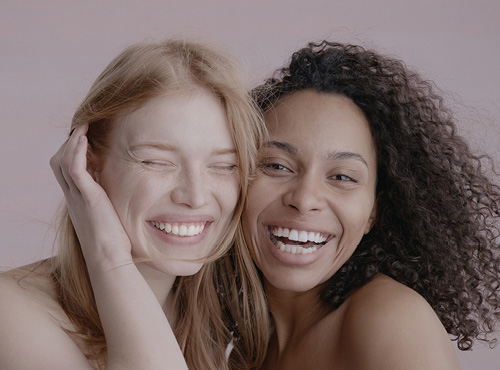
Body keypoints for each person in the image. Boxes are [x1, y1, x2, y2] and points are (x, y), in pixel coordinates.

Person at [0, 39, 269, 370]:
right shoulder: (12, 312)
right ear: (87, 163)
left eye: (224, 165)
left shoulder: (236, 321)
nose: (196, 196)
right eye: (156, 162)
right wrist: (108, 256)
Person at [240, 41, 500, 369]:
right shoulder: (244, 344)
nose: (305, 200)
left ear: (373, 212)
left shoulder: (390, 318)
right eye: (277, 166)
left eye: (343, 177)